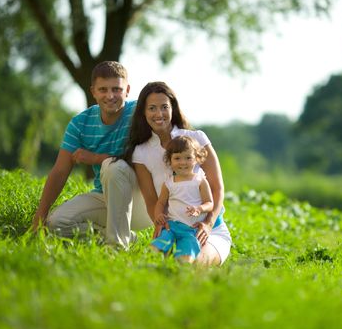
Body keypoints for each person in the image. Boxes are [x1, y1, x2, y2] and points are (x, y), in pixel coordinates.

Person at [31, 61, 151, 248]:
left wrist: (96, 158)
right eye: (103, 89)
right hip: (105, 196)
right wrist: (40, 215)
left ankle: (117, 248)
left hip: (145, 200)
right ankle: (123, 236)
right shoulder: (80, 123)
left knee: (113, 166)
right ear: (93, 91)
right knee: (56, 224)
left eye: (116, 89)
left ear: (127, 90)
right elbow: (60, 171)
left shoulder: (141, 113)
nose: (110, 96)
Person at [124, 81, 232, 266]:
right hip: (171, 228)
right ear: (143, 112)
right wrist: (160, 225)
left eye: (164, 107)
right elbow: (151, 200)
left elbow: (217, 188)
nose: (159, 114)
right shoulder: (140, 152)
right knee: (156, 264)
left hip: (209, 228)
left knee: (193, 264)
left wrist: (208, 223)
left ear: (172, 108)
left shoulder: (196, 138)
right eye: (152, 108)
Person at [151, 136, 214, 263]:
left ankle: (180, 263)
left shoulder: (200, 181)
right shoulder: (169, 183)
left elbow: (210, 203)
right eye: (177, 158)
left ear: (196, 158)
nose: (183, 162)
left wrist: (199, 209)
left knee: (185, 259)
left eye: (188, 158)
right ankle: (154, 263)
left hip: (192, 230)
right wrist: (158, 215)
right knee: (154, 250)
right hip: (171, 226)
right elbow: (161, 202)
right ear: (170, 160)